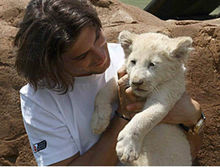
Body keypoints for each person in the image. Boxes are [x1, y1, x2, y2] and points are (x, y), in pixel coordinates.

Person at [14, 0, 202, 166]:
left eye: (97, 37)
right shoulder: (38, 100)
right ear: (52, 63)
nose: (102, 56)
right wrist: (123, 114)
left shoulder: (130, 55)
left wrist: (194, 118)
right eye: (82, 56)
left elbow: (192, 148)